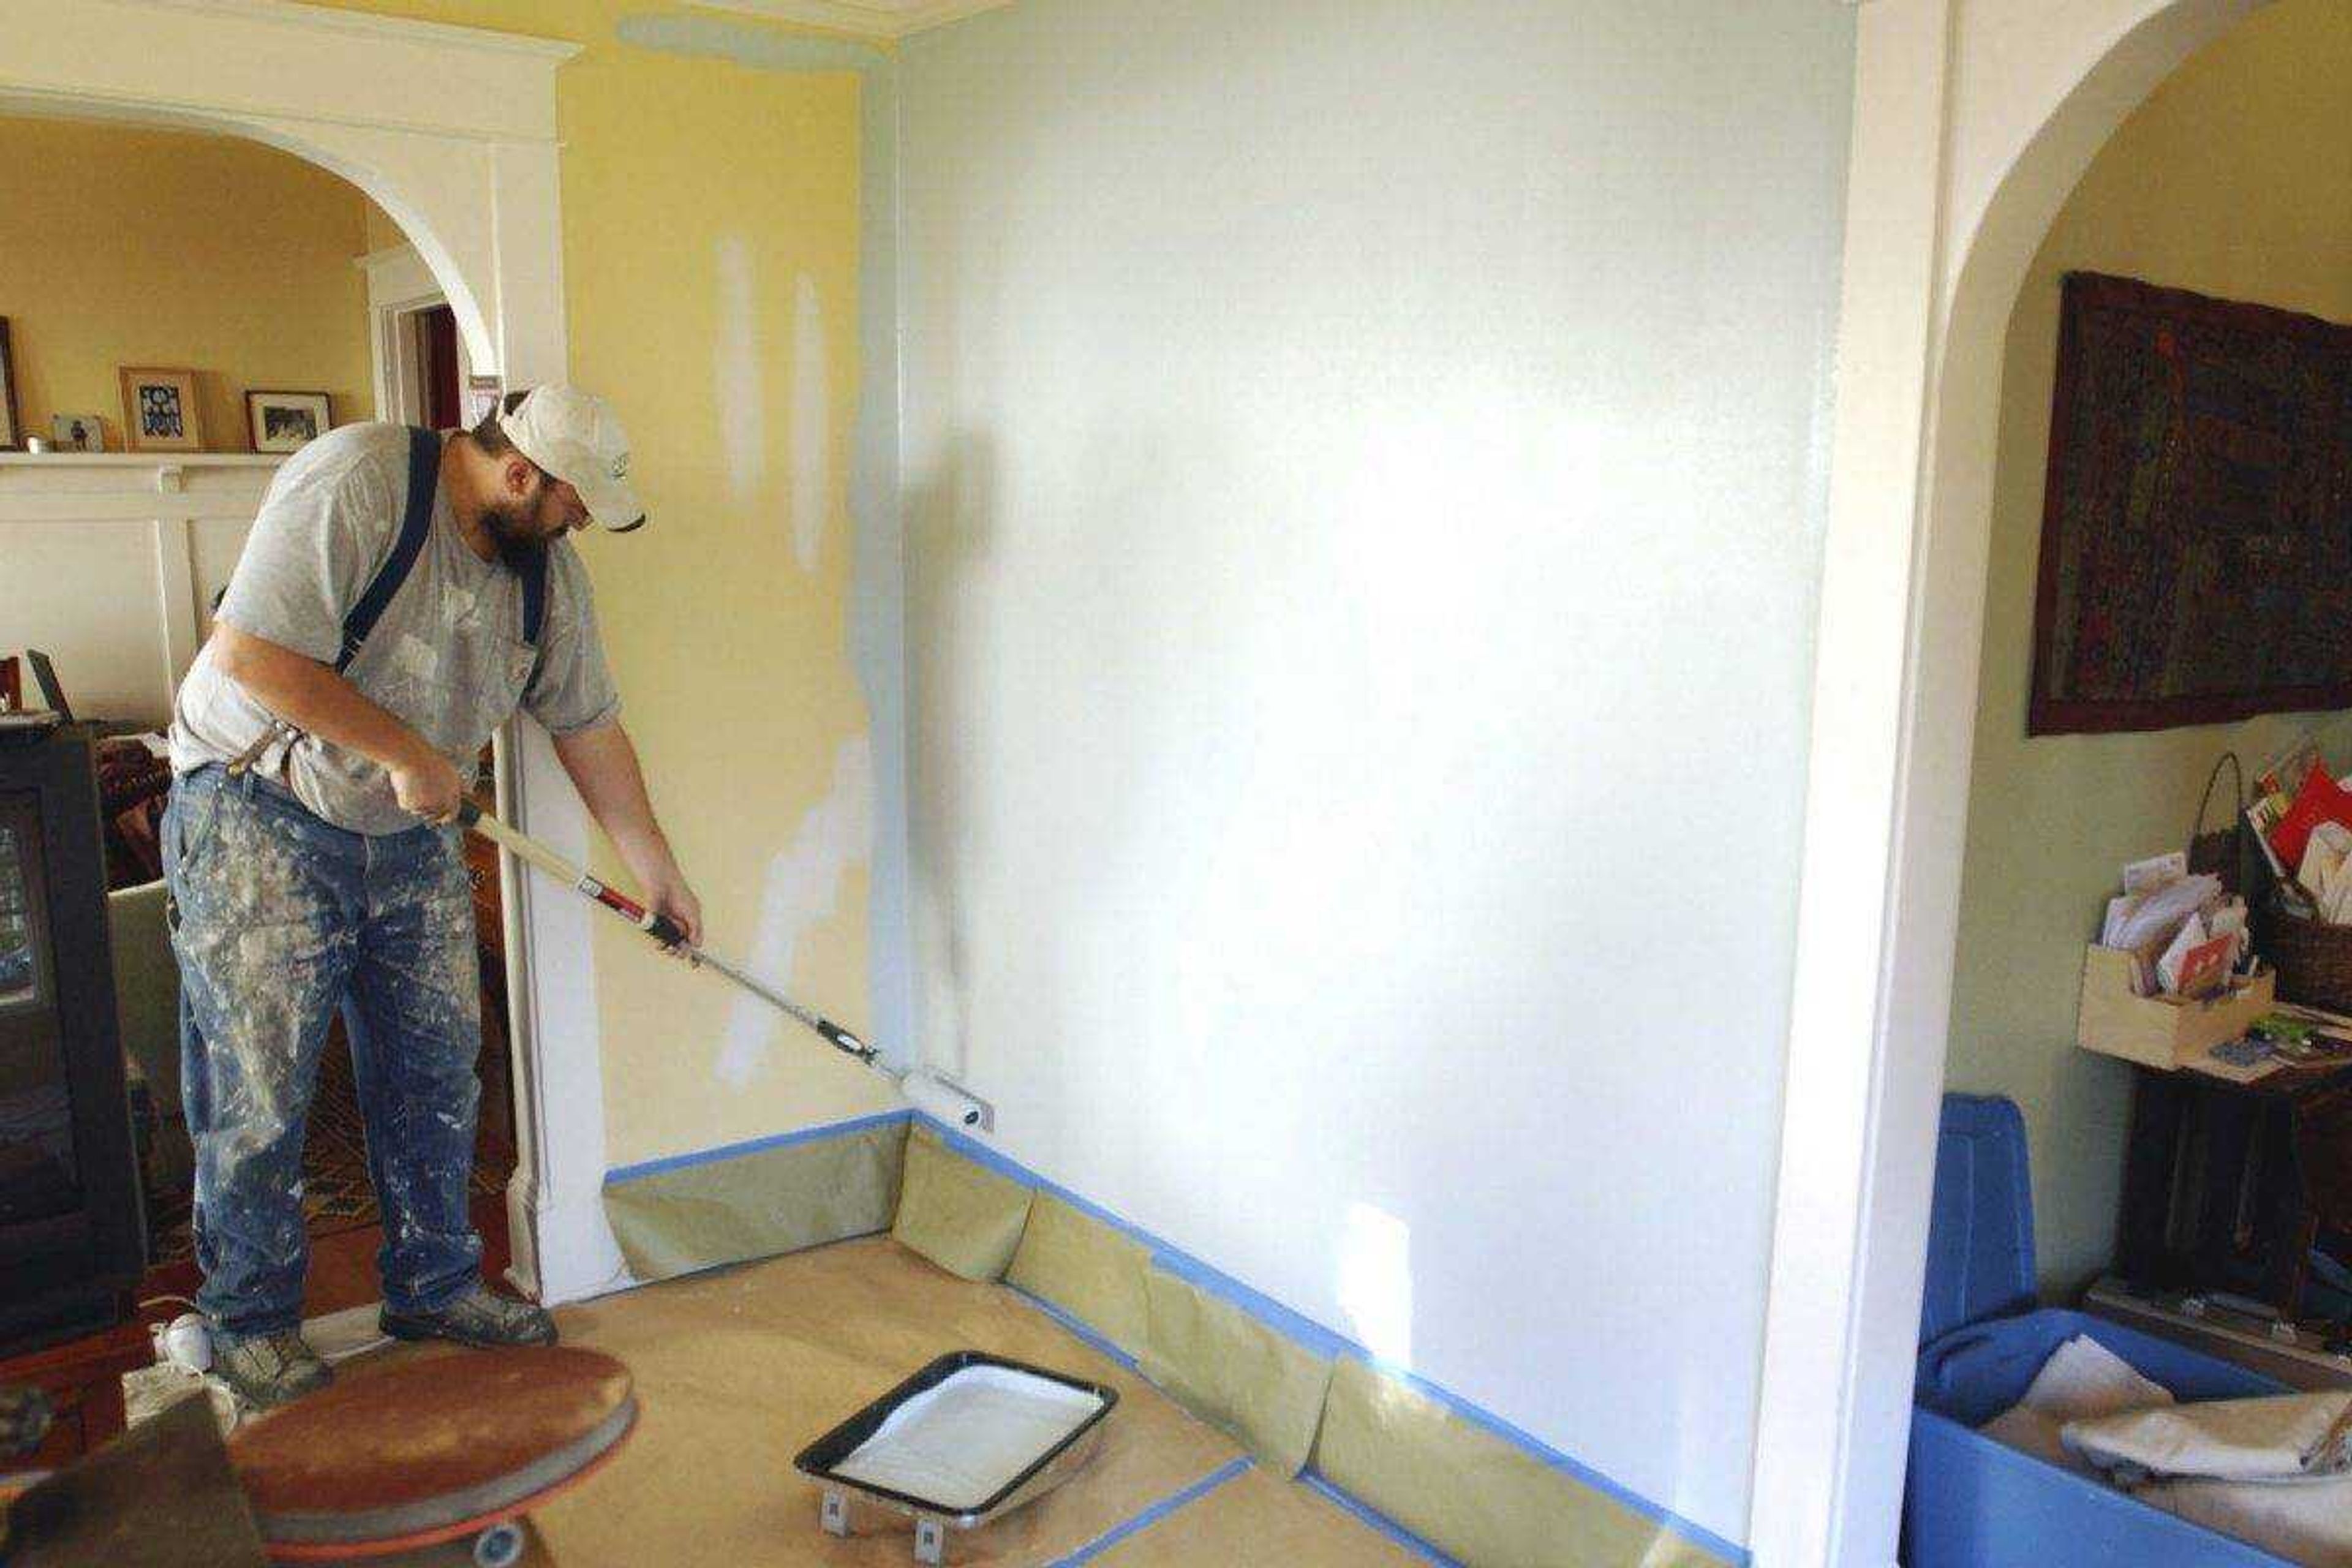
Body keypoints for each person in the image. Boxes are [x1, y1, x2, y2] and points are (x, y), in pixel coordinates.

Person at [164, 387, 703, 1409]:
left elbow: (587, 726)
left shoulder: (549, 582)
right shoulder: (358, 483)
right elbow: (248, 651)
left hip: (405, 831)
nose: (579, 525)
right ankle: (249, 1322)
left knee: (435, 1065)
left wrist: (656, 869)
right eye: (572, 504)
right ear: (519, 474)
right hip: (256, 804)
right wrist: (407, 752)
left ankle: (435, 1284)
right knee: (258, 1086)